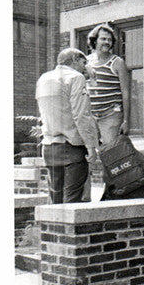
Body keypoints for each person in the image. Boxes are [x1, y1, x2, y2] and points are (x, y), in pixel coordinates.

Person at [35, 48, 99, 204]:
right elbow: (81, 116)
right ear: (75, 60)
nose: (85, 67)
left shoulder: (43, 78)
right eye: (84, 63)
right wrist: (91, 147)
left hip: (49, 147)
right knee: (72, 203)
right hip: (71, 147)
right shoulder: (76, 78)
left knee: (55, 200)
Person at [85, 23, 131, 147]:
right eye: (103, 39)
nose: (107, 42)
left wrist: (126, 120)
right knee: (91, 154)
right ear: (94, 40)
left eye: (110, 40)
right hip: (91, 116)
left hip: (111, 116)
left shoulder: (117, 62)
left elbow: (126, 93)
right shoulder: (86, 62)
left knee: (112, 154)